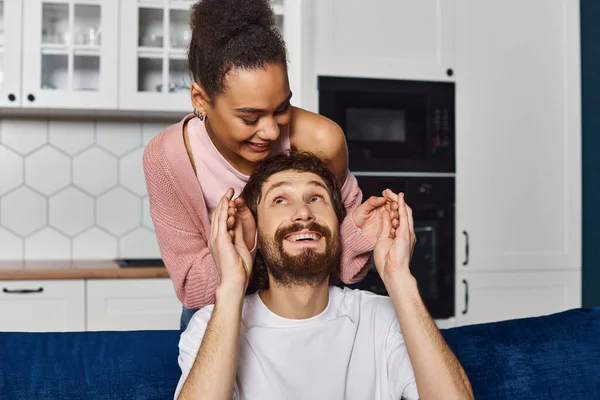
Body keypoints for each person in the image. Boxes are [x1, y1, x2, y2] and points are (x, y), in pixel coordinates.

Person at [143, 0, 398, 330]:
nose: (270, 131)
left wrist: (360, 234)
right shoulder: (168, 160)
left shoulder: (322, 142)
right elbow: (194, 289)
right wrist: (247, 243)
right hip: (220, 312)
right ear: (200, 99)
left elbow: (346, 270)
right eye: (250, 118)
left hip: (310, 309)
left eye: (282, 108)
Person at [174, 151, 474, 400]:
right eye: (280, 200)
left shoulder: (383, 318)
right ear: (256, 233)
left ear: (337, 225)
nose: (303, 213)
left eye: (316, 198)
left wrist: (398, 277)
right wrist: (231, 285)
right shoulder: (212, 325)